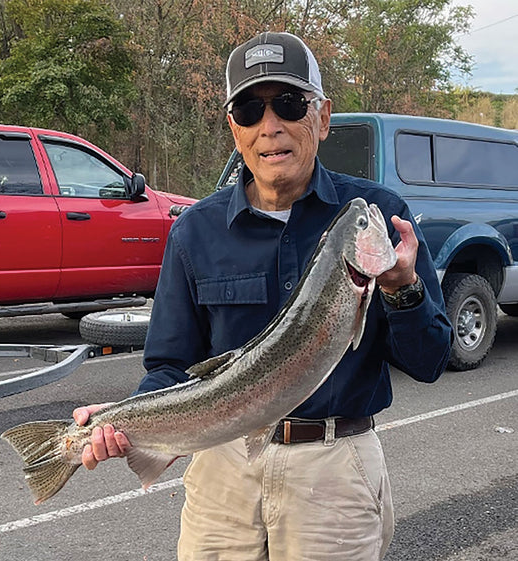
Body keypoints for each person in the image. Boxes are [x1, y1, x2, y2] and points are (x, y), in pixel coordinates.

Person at [73, 31, 452, 561]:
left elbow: (430, 361)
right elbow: (170, 365)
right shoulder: (195, 231)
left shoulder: (378, 214)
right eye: (250, 108)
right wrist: (128, 418)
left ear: (322, 116)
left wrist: (401, 287)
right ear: (234, 128)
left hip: (334, 467)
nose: (270, 126)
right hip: (221, 471)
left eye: (290, 104)